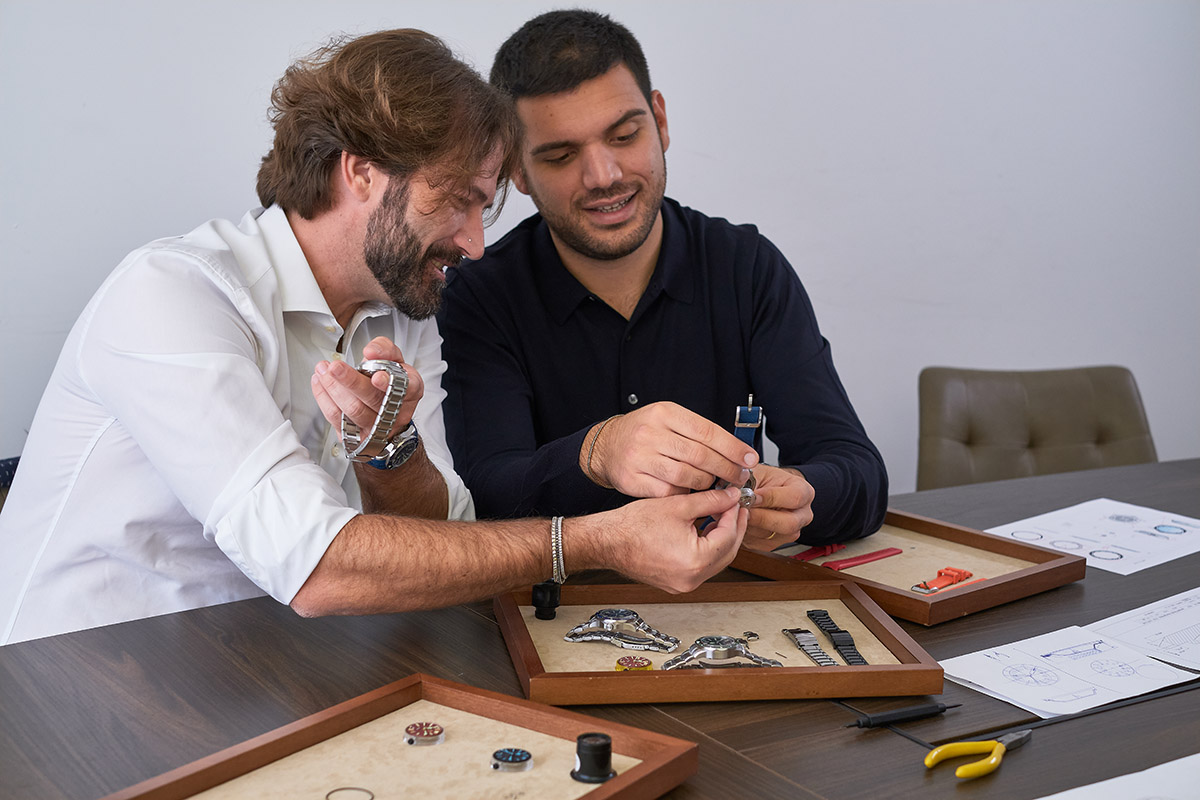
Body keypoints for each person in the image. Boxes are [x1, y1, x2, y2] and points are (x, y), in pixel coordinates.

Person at [0, 29, 748, 645]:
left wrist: (392, 455)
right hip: (59, 690)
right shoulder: (173, 292)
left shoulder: (399, 314)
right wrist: (596, 540)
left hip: (248, 673)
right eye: (456, 200)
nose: (475, 243)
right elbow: (318, 568)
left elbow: (446, 537)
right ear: (360, 172)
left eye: (483, 208)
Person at [438, 10, 887, 550]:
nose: (604, 176)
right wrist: (596, 455)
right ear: (516, 170)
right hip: (561, 595)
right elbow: (482, 498)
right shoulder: (478, 298)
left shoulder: (746, 268)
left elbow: (858, 472)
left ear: (660, 121)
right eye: (560, 156)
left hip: (731, 593)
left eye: (625, 135)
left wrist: (803, 495)